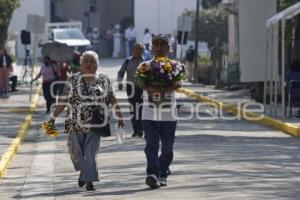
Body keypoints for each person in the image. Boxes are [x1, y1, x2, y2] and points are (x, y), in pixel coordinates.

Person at [48, 50, 124, 191]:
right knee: (76, 153)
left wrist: (120, 116)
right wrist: (52, 118)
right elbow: (63, 101)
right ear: (81, 64)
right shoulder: (72, 80)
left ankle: (89, 180)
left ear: (97, 65)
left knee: (90, 153)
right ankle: (84, 172)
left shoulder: (103, 79)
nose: (89, 64)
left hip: (96, 124)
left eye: (92, 61)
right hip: (74, 123)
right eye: (86, 61)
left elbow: (112, 99)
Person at [137, 34, 183, 189]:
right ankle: (153, 173)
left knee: (167, 149)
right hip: (149, 114)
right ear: (152, 47)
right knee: (151, 145)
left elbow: (178, 83)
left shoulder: (175, 65)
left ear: (168, 48)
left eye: (163, 45)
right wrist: (152, 88)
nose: (159, 47)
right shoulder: (145, 66)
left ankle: (163, 171)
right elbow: (140, 83)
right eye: (156, 44)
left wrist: (166, 88)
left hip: (169, 115)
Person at [117, 43, 144, 138]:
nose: (138, 51)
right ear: (132, 50)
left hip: (142, 88)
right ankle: (135, 130)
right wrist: (120, 82)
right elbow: (121, 72)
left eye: (140, 49)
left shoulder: (146, 62)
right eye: (136, 49)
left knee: (140, 108)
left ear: (143, 51)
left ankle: (140, 129)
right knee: (133, 109)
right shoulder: (128, 61)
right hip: (130, 87)